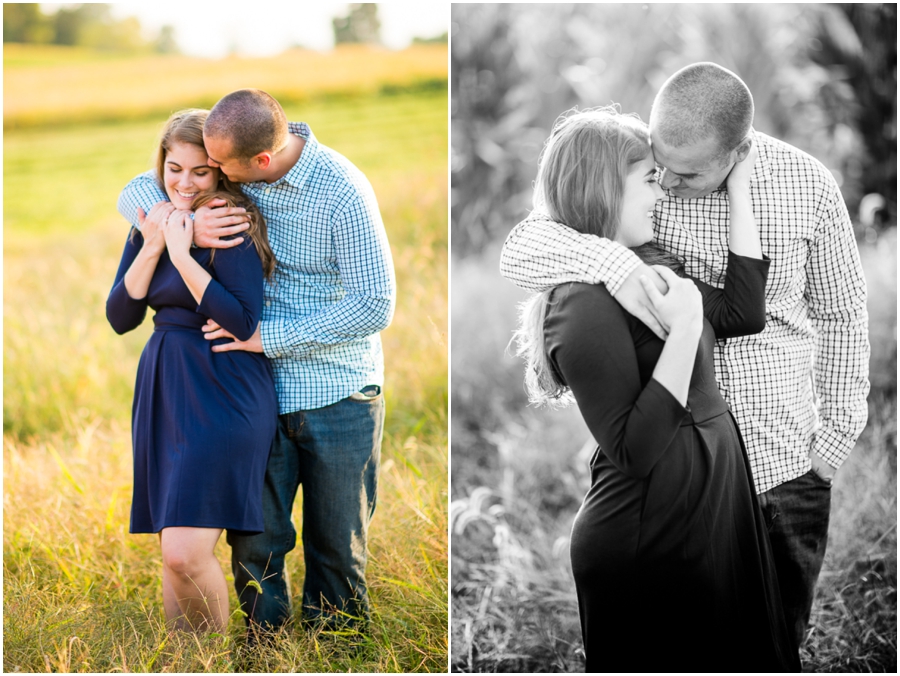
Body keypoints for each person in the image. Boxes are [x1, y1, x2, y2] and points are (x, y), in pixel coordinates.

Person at [501, 62, 870, 660]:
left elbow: (842, 314)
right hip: (682, 480)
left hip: (785, 464)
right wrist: (616, 266)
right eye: (658, 169)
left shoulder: (807, 185)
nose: (667, 182)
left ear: (737, 152)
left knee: (776, 645)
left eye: (685, 172)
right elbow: (528, 243)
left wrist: (834, 440)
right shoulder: (643, 172)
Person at [117, 89, 396, 635]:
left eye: (219, 169)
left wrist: (269, 338)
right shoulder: (237, 166)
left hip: (336, 391)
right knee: (257, 548)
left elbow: (375, 304)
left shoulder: (341, 191)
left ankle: (338, 656)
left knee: (336, 548)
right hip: (259, 393)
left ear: (259, 164)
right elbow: (139, 187)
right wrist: (184, 225)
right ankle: (265, 656)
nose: (211, 176)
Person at [106, 109, 278, 633]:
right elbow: (120, 316)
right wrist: (157, 240)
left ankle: (220, 659)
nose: (184, 182)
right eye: (173, 168)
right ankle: (190, 664)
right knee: (171, 551)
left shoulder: (228, 222)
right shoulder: (155, 220)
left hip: (224, 388)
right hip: (164, 389)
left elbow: (242, 318)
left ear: (220, 171)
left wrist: (183, 255)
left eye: (199, 171)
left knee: (186, 553)